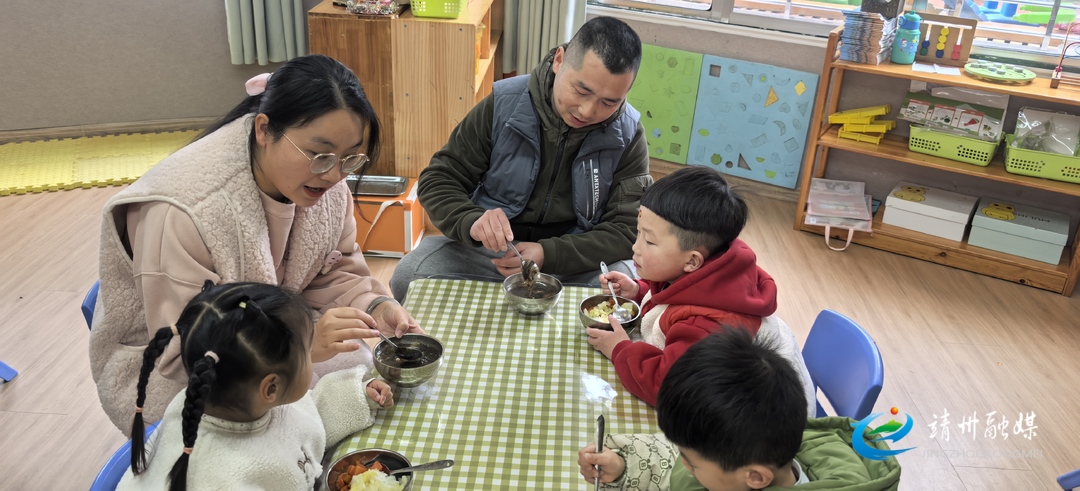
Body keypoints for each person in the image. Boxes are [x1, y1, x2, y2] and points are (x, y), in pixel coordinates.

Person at [89, 54, 423, 435]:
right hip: (182, 375)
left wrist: (376, 305)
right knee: (305, 433)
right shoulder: (184, 212)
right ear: (264, 130)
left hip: (274, 335)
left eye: (349, 158)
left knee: (365, 381)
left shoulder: (322, 182)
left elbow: (332, 268)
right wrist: (301, 352)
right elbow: (190, 350)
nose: (334, 175)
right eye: (320, 155)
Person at [389, 16, 652, 301]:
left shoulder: (628, 133)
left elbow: (627, 229)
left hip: (574, 262)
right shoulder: (504, 103)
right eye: (581, 90)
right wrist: (471, 220)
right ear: (559, 60)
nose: (587, 111)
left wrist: (549, 254)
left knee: (627, 287)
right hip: (492, 256)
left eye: (609, 102)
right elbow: (438, 180)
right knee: (410, 274)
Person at [118, 281, 394, 491]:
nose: (313, 356)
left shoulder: (230, 399)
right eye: (308, 349)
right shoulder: (225, 479)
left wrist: (358, 395)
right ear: (271, 388)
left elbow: (302, 416)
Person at [584, 166, 815, 412]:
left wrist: (620, 350)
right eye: (639, 233)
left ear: (693, 261)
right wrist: (639, 292)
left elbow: (669, 389)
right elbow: (680, 291)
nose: (635, 248)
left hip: (761, 424)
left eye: (649, 241)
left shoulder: (707, 324)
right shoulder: (716, 261)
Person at [577, 329, 902, 490]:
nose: (685, 466)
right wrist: (623, 468)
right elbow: (676, 462)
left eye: (690, 463)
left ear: (755, 478)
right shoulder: (753, 450)